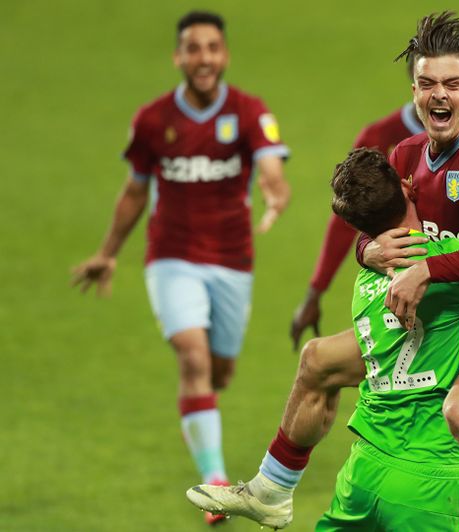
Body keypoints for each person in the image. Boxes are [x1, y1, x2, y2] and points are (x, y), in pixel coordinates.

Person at [186, 12, 459, 532]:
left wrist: (427, 269)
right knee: (317, 360)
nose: (439, 95)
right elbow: (379, 222)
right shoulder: (405, 155)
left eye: (453, 84)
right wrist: (368, 251)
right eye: (428, 83)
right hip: (447, 319)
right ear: (414, 89)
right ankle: (271, 491)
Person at [190, 147, 459, 529]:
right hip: (430, 479)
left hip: (364, 471)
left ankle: (272, 486)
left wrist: (367, 249)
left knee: (317, 358)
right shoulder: (444, 264)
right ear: (406, 187)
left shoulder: (366, 276)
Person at [70, 10, 290, 526]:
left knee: (219, 370)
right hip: (171, 258)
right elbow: (134, 192)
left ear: (225, 55)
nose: (203, 58)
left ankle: (203, 411)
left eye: (212, 48)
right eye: (193, 49)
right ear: (178, 57)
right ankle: (215, 480)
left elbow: (271, 167)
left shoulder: (249, 111)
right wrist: (108, 252)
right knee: (192, 358)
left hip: (232, 262)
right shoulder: (152, 121)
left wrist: (275, 192)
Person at [290, 61, 425, 349]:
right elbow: (350, 217)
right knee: (314, 358)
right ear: (414, 78)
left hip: (452, 276)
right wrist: (316, 292)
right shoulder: (380, 138)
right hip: (397, 285)